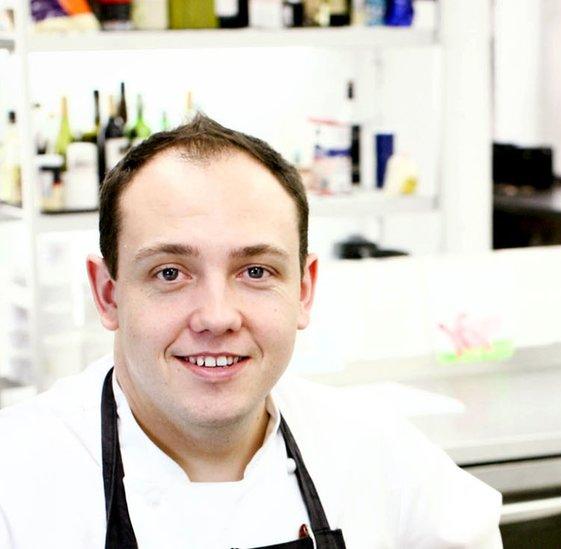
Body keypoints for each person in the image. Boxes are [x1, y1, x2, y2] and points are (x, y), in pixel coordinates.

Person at [0, 115, 502, 548]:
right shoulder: (17, 483)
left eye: (256, 271)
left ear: (304, 291)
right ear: (108, 294)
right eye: (170, 273)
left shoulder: (379, 456)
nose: (217, 317)